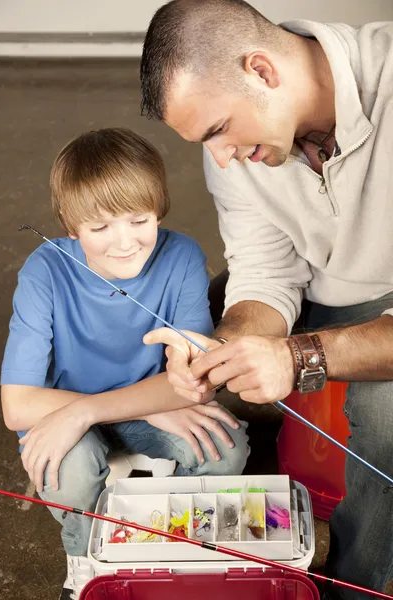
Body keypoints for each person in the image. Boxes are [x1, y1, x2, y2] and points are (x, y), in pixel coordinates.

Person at [139, 1, 393, 598]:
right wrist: (229, 344)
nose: (220, 155)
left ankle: (356, 585)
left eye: (217, 131)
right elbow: (263, 270)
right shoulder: (239, 145)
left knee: (386, 422)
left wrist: (296, 357)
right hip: (323, 292)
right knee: (208, 314)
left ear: (262, 70)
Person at [0, 127, 249, 599]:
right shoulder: (44, 271)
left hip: (122, 409)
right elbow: (17, 406)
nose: (125, 242)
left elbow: (194, 383)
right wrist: (129, 406)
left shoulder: (181, 258)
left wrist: (94, 409)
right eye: (99, 228)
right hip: (80, 411)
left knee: (227, 447)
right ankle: (85, 556)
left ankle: (173, 550)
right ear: (71, 228)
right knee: (68, 474)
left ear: (158, 208)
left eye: (139, 220)